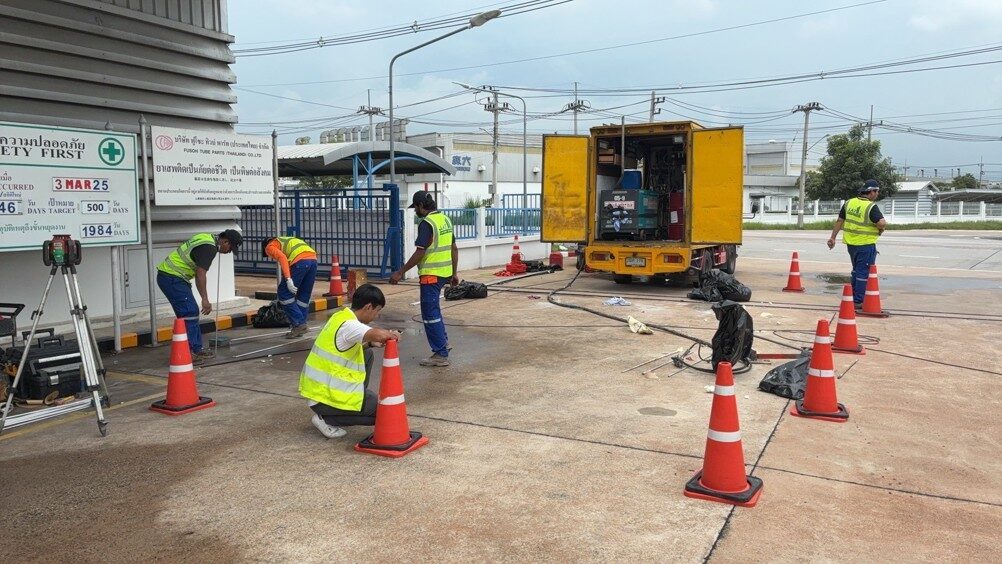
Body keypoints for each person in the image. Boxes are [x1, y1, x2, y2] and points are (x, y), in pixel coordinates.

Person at [299, 284, 401, 439]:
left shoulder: (340, 316)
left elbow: (354, 342)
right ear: (368, 307)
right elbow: (379, 335)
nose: (376, 316)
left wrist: (371, 343)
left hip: (319, 391)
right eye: (377, 310)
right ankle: (327, 419)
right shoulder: (351, 326)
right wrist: (392, 334)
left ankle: (353, 403)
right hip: (325, 397)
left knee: (366, 352)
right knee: (384, 411)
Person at [388, 191, 458, 367]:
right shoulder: (445, 220)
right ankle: (444, 343)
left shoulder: (427, 223)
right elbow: (454, 248)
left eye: (416, 208)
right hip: (444, 273)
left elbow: (420, 251)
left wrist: (400, 272)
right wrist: (454, 273)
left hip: (431, 275)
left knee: (429, 314)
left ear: (420, 205)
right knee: (434, 310)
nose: (416, 211)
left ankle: (441, 353)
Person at [157, 229, 242, 363]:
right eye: (230, 248)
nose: (229, 252)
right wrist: (205, 299)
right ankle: (189, 352)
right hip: (172, 277)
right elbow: (200, 274)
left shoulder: (206, 237)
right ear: (225, 242)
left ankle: (196, 349)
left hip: (174, 277)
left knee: (190, 312)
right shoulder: (209, 248)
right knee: (189, 312)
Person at [827, 179, 888, 308]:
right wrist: (881, 228)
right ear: (871, 192)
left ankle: (853, 296)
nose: (877, 195)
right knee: (863, 272)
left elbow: (840, 220)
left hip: (851, 244)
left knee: (856, 270)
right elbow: (881, 222)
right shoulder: (871, 206)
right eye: (877, 192)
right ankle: (858, 300)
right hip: (865, 244)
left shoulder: (849, 203)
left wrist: (833, 237)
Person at [261, 235, 318, 339]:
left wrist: (288, 279)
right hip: (313, 261)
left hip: (300, 262)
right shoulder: (286, 240)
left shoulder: (269, 247)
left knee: (284, 293)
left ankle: (298, 324)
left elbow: (282, 257)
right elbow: (288, 261)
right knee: (303, 296)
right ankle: (302, 325)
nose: (271, 256)